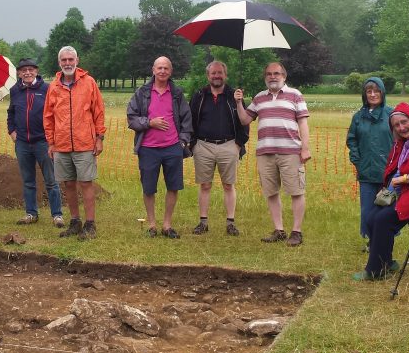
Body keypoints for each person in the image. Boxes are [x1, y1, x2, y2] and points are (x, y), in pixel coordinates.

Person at [352, 103, 409, 280]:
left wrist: (406, 179)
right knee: (371, 218)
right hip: (395, 193)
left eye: (404, 122)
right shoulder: (401, 143)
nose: (401, 128)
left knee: (382, 220)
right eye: (396, 125)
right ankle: (386, 262)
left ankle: (375, 270)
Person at [235, 62, 311, 247]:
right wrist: (238, 102)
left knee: (296, 191)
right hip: (265, 152)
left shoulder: (295, 95)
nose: (272, 77)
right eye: (269, 74)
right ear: (265, 77)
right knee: (271, 192)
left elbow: (303, 123)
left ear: (284, 76)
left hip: (290, 152)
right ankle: (279, 230)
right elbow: (245, 119)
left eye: (276, 73)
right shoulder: (260, 98)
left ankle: (296, 232)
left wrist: (305, 148)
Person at [43, 46, 106, 239]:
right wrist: (51, 143)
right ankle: (75, 222)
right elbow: (48, 116)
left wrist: (99, 138)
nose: (68, 63)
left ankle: (90, 225)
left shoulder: (89, 83)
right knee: (68, 184)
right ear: (59, 63)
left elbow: (98, 111)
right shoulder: (53, 86)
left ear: (77, 61)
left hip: (84, 143)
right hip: (61, 145)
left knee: (86, 183)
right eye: (64, 60)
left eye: (71, 59)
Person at [126, 56, 192, 238]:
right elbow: (131, 117)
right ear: (153, 70)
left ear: (170, 72)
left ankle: (167, 225)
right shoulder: (142, 93)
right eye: (159, 68)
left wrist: (183, 142)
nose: (162, 71)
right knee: (148, 188)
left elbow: (187, 119)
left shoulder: (177, 94)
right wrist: (149, 122)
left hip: (172, 148)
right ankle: (152, 225)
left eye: (166, 68)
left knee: (173, 186)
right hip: (148, 148)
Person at [188, 61, 249, 236]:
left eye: (220, 73)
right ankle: (203, 222)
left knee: (228, 185)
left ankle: (230, 222)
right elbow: (190, 120)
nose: (217, 76)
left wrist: (239, 144)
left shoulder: (234, 95)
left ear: (225, 75)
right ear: (208, 76)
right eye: (213, 73)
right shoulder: (199, 95)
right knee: (205, 185)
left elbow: (245, 122)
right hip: (203, 146)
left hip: (229, 145)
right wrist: (193, 144)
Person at [7, 57, 64, 227]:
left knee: (51, 180)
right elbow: (11, 113)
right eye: (24, 70)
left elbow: (56, 112)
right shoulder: (15, 90)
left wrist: (52, 136)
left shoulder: (47, 89)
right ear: (19, 73)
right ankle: (31, 213)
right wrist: (12, 131)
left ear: (36, 71)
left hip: (43, 142)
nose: (27, 72)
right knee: (28, 180)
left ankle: (57, 215)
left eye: (31, 69)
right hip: (23, 143)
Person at [345, 77, 393, 252]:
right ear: (365, 94)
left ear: (382, 92)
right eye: (369, 91)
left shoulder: (391, 114)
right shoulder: (358, 117)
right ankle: (372, 241)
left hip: (388, 172)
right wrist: (357, 160)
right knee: (368, 211)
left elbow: (401, 140)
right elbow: (352, 140)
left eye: (376, 91)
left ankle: (384, 243)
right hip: (366, 172)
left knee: (385, 209)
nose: (373, 95)